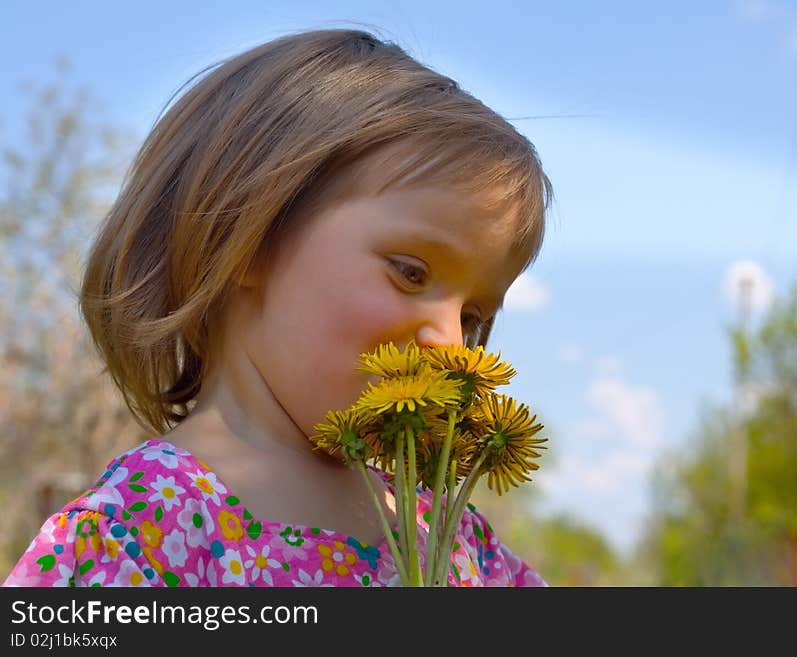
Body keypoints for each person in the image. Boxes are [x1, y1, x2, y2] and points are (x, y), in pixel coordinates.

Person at [3, 28, 552, 587]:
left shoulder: (448, 534)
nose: (451, 346)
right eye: (411, 273)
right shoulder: (137, 536)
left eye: (472, 317)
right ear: (245, 237)